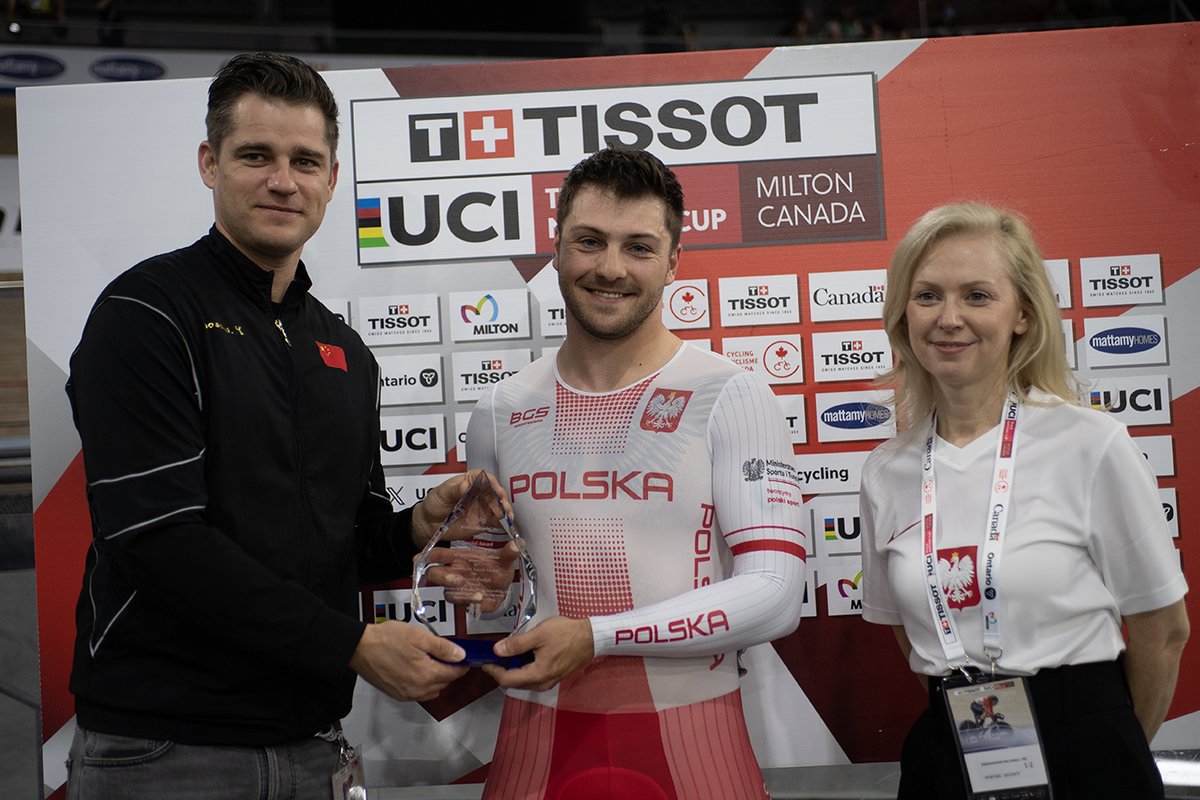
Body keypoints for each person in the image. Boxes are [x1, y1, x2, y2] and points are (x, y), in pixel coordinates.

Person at [63, 52, 483, 799]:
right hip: (167, 750)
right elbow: (157, 541)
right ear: (209, 163)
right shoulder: (147, 314)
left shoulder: (345, 351)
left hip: (313, 747)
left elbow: (343, 539)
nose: (283, 181)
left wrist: (419, 523)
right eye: (256, 156)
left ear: (331, 176)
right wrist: (352, 645)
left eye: (305, 160)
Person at [465, 146, 808, 799]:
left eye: (639, 247)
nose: (611, 268)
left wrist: (596, 637)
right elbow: (497, 596)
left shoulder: (729, 394)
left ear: (674, 261)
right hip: (534, 755)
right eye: (589, 241)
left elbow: (775, 593)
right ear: (557, 247)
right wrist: (476, 586)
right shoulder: (500, 409)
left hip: (696, 756)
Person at [860, 202, 1189, 799]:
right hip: (950, 745)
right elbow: (909, 635)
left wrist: (1107, 749)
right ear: (902, 313)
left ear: (1022, 315)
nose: (948, 318)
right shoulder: (886, 470)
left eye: (978, 296)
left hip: (1088, 744)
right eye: (928, 294)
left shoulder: (1090, 443)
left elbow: (1163, 631)